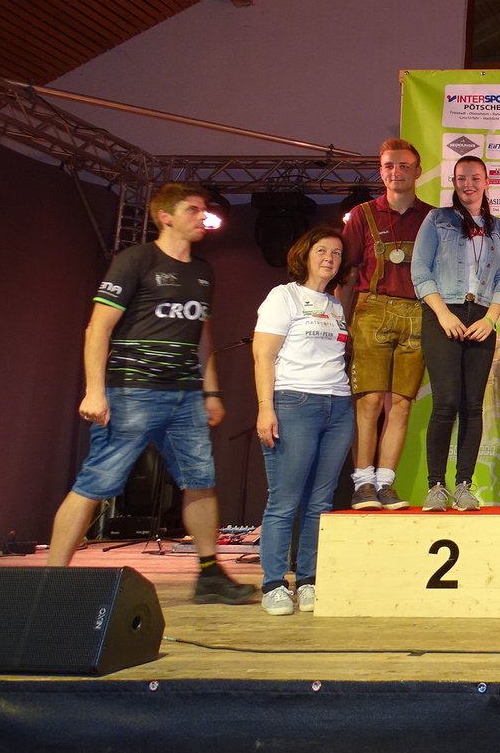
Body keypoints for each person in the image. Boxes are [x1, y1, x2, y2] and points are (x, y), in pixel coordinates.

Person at [48, 183, 255, 604]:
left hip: (185, 397)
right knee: (96, 482)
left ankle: (209, 575)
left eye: (204, 210)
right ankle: (49, 581)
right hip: (131, 392)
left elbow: (202, 335)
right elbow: (98, 328)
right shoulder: (136, 260)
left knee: (200, 481)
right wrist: (94, 391)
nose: (202, 217)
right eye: (192, 209)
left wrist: (211, 391)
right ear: (165, 216)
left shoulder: (203, 272)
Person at [252, 227, 355, 616]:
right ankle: (274, 583)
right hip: (295, 402)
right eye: (322, 250)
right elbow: (263, 355)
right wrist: (266, 407)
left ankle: (309, 579)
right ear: (304, 255)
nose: (330, 258)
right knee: (285, 500)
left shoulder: (336, 304)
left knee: (320, 502)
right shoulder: (284, 296)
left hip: (338, 406)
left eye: (337, 253)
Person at [413, 155, 500, 510]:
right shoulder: (437, 219)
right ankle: (436, 486)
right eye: (461, 178)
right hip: (443, 313)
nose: (468, 184)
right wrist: (442, 313)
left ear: (486, 182)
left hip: (481, 317)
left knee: (473, 405)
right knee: (446, 402)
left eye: (474, 178)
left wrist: (491, 319)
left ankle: (464, 486)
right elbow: (420, 272)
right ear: (454, 183)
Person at [341, 138, 432, 510]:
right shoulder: (361, 215)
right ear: (380, 172)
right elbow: (347, 273)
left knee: (401, 404)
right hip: (371, 310)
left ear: (418, 171)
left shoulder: (433, 218)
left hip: (417, 313)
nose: (396, 172)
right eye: (389, 166)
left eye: (404, 166)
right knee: (370, 401)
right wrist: (342, 322)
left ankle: (386, 483)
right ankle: (363, 482)